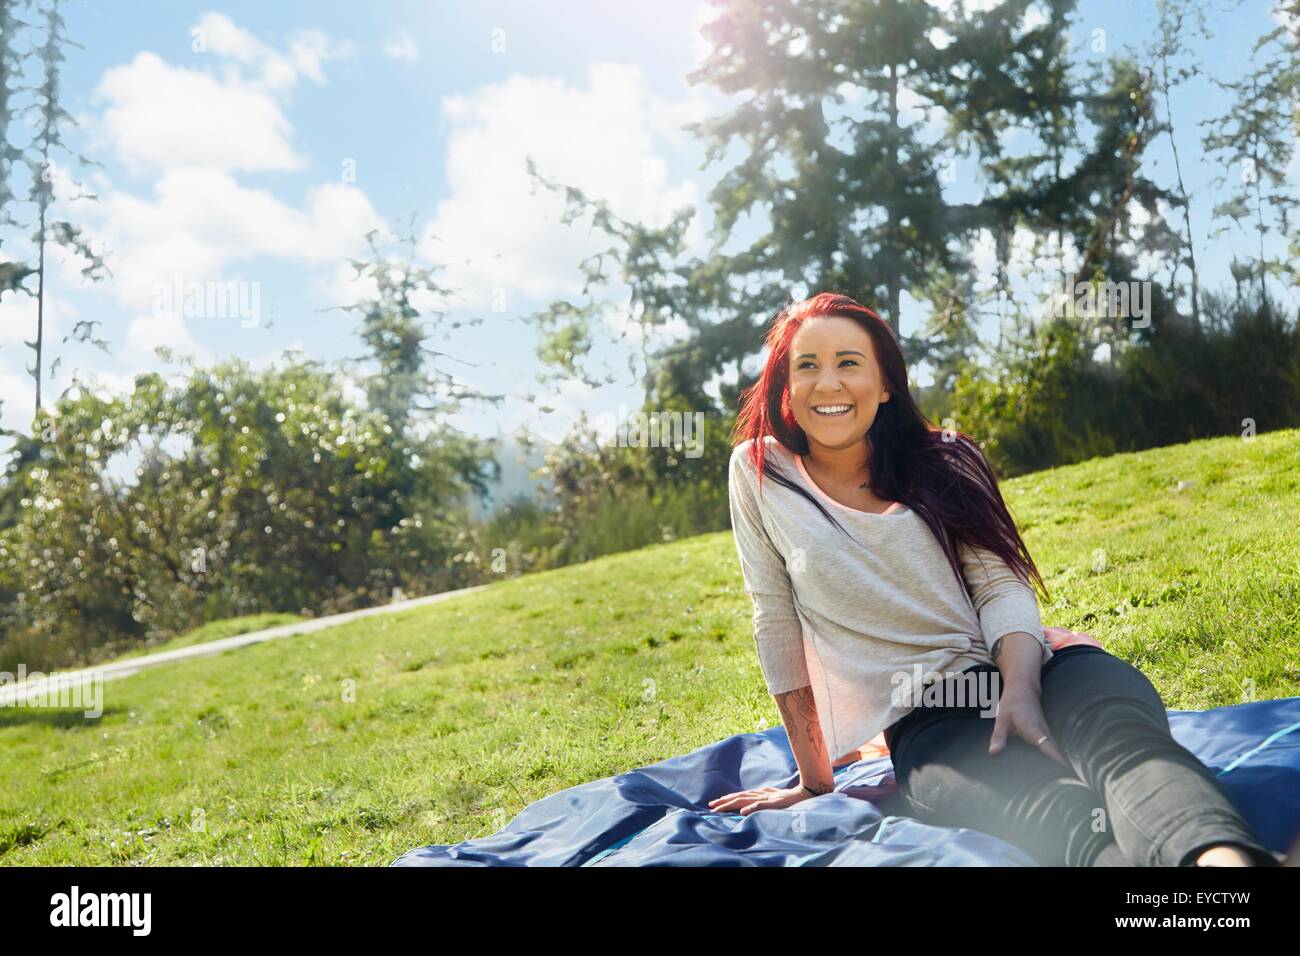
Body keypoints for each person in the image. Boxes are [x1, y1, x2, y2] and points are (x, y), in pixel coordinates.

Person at [708, 291, 1281, 867]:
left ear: (885, 385)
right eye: (806, 365)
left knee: (1129, 753)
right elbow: (774, 620)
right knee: (1055, 814)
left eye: (848, 363)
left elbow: (1001, 587)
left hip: (1040, 668)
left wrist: (1021, 691)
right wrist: (814, 780)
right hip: (930, 723)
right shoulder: (762, 475)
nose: (827, 383)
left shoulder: (947, 459)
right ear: (786, 388)